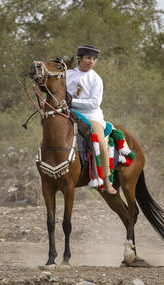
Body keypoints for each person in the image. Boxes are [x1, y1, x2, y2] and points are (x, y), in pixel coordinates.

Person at [66, 45, 117, 194]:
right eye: (88, 58)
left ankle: (107, 181)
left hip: (90, 116)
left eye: (94, 59)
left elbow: (95, 103)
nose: (91, 62)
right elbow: (56, 91)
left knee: (100, 142)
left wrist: (70, 102)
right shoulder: (67, 74)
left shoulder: (96, 79)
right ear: (79, 58)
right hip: (68, 112)